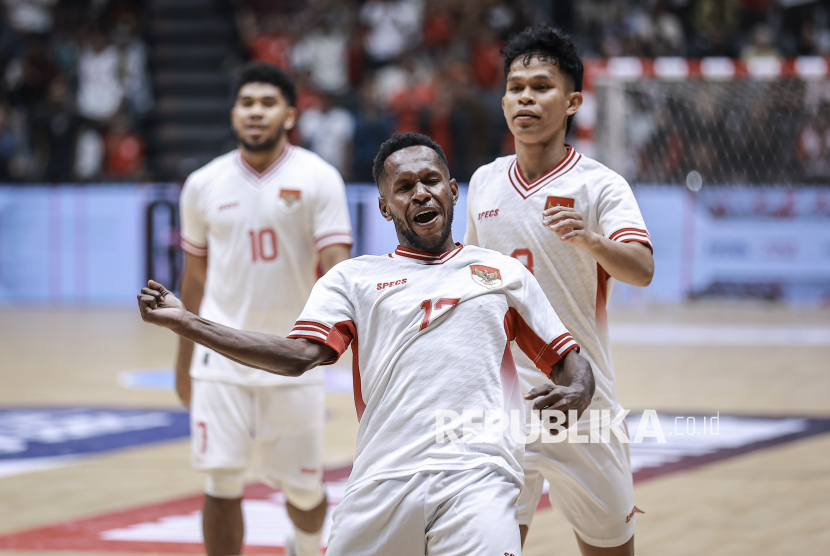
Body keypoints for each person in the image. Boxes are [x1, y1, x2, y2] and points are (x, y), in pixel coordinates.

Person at [140, 132, 596, 556]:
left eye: (431, 180)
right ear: (384, 206)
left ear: (454, 191)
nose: (421, 193)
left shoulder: (502, 274)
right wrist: (188, 323)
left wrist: (579, 389)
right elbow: (298, 356)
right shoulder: (352, 280)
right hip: (382, 480)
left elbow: (569, 362)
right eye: (404, 186)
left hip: (478, 475)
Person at [464, 26, 654, 556]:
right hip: (502, 407)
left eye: (541, 86)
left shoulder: (601, 185)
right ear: (503, 99)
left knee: (610, 548)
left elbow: (641, 268)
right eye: (515, 86)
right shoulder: (483, 182)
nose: (525, 97)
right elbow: (473, 282)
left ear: (572, 101)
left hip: (583, 400)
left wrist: (591, 240)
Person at [174, 62, 353, 556]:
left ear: (290, 115)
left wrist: (343, 343)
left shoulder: (319, 178)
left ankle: (306, 544)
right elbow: (193, 277)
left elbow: (338, 270)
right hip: (219, 355)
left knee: (302, 490)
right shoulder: (202, 184)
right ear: (233, 114)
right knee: (221, 478)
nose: (256, 112)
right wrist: (185, 359)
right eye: (247, 103)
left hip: (293, 355)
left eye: (267, 103)